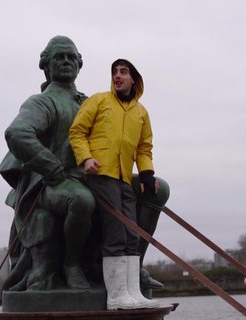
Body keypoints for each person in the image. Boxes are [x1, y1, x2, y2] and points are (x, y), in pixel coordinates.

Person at [0, 35, 95, 291]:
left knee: (156, 189)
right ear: (46, 65)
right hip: (49, 185)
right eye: (59, 57)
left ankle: (130, 269)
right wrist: (51, 166)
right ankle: (71, 265)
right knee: (81, 200)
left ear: (79, 63)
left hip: (90, 177)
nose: (66, 62)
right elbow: (17, 133)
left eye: (71, 57)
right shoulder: (42, 102)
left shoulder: (90, 103)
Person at [69, 59, 159, 309]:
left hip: (123, 177)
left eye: (123, 72)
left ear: (134, 79)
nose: (118, 76)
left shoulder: (141, 112)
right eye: (114, 72)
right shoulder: (99, 100)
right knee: (116, 232)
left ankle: (132, 294)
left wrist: (147, 173)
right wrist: (86, 158)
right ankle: (116, 297)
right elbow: (77, 131)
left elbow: (143, 147)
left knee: (132, 233)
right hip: (101, 173)